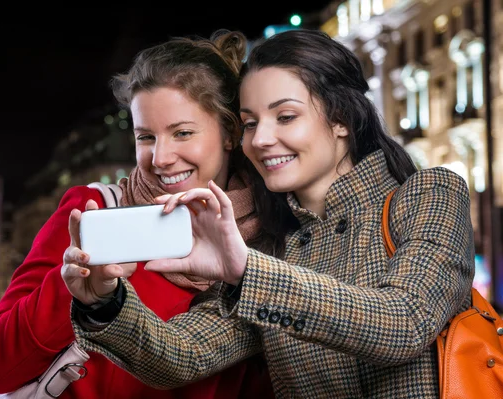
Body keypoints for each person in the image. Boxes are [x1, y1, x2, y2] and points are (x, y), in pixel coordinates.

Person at [66, 29, 475, 398]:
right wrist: (105, 302)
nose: (260, 139)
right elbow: (183, 355)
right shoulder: (273, 246)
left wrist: (246, 271)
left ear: (342, 119)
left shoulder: (429, 193)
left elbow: (405, 323)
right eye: (249, 123)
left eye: (285, 117)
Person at [0, 29, 274, 398]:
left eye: (182, 133)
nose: (160, 158)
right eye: (145, 137)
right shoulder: (93, 211)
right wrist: (75, 291)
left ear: (229, 133)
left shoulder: (270, 239)